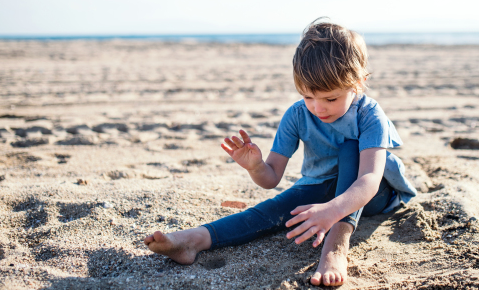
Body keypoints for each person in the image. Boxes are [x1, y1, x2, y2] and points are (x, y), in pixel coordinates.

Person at [144, 18, 417, 286]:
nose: (318, 108)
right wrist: (255, 166)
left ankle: (335, 249)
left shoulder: (369, 115)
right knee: (267, 211)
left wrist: (333, 210)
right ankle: (192, 241)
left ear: (358, 83)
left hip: (372, 197)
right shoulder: (297, 115)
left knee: (349, 148)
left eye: (330, 98)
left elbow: (368, 180)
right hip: (319, 190)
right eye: (308, 96)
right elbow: (271, 178)